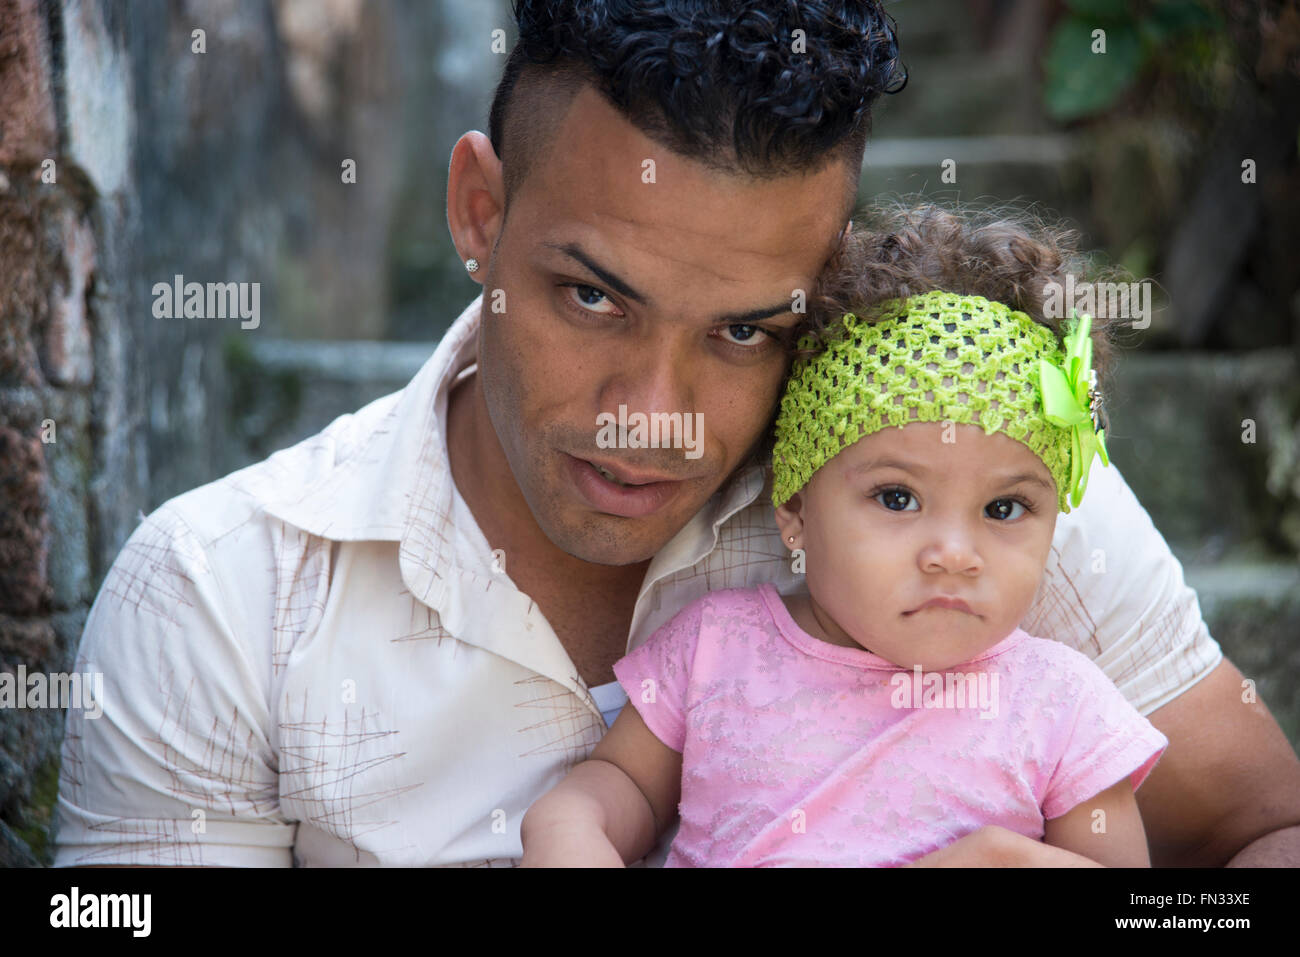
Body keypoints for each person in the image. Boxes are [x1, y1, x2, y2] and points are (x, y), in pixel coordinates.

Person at [52, 1, 1300, 868]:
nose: (654, 410)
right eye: (593, 298)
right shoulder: (220, 597)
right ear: (479, 210)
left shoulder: (966, 491)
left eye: (749, 329)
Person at [520, 205, 1172, 867]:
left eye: (1004, 508)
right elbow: (625, 782)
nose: (953, 553)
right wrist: (569, 820)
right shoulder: (715, 648)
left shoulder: (1064, 704)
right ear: (797, 505)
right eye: (897, 497)